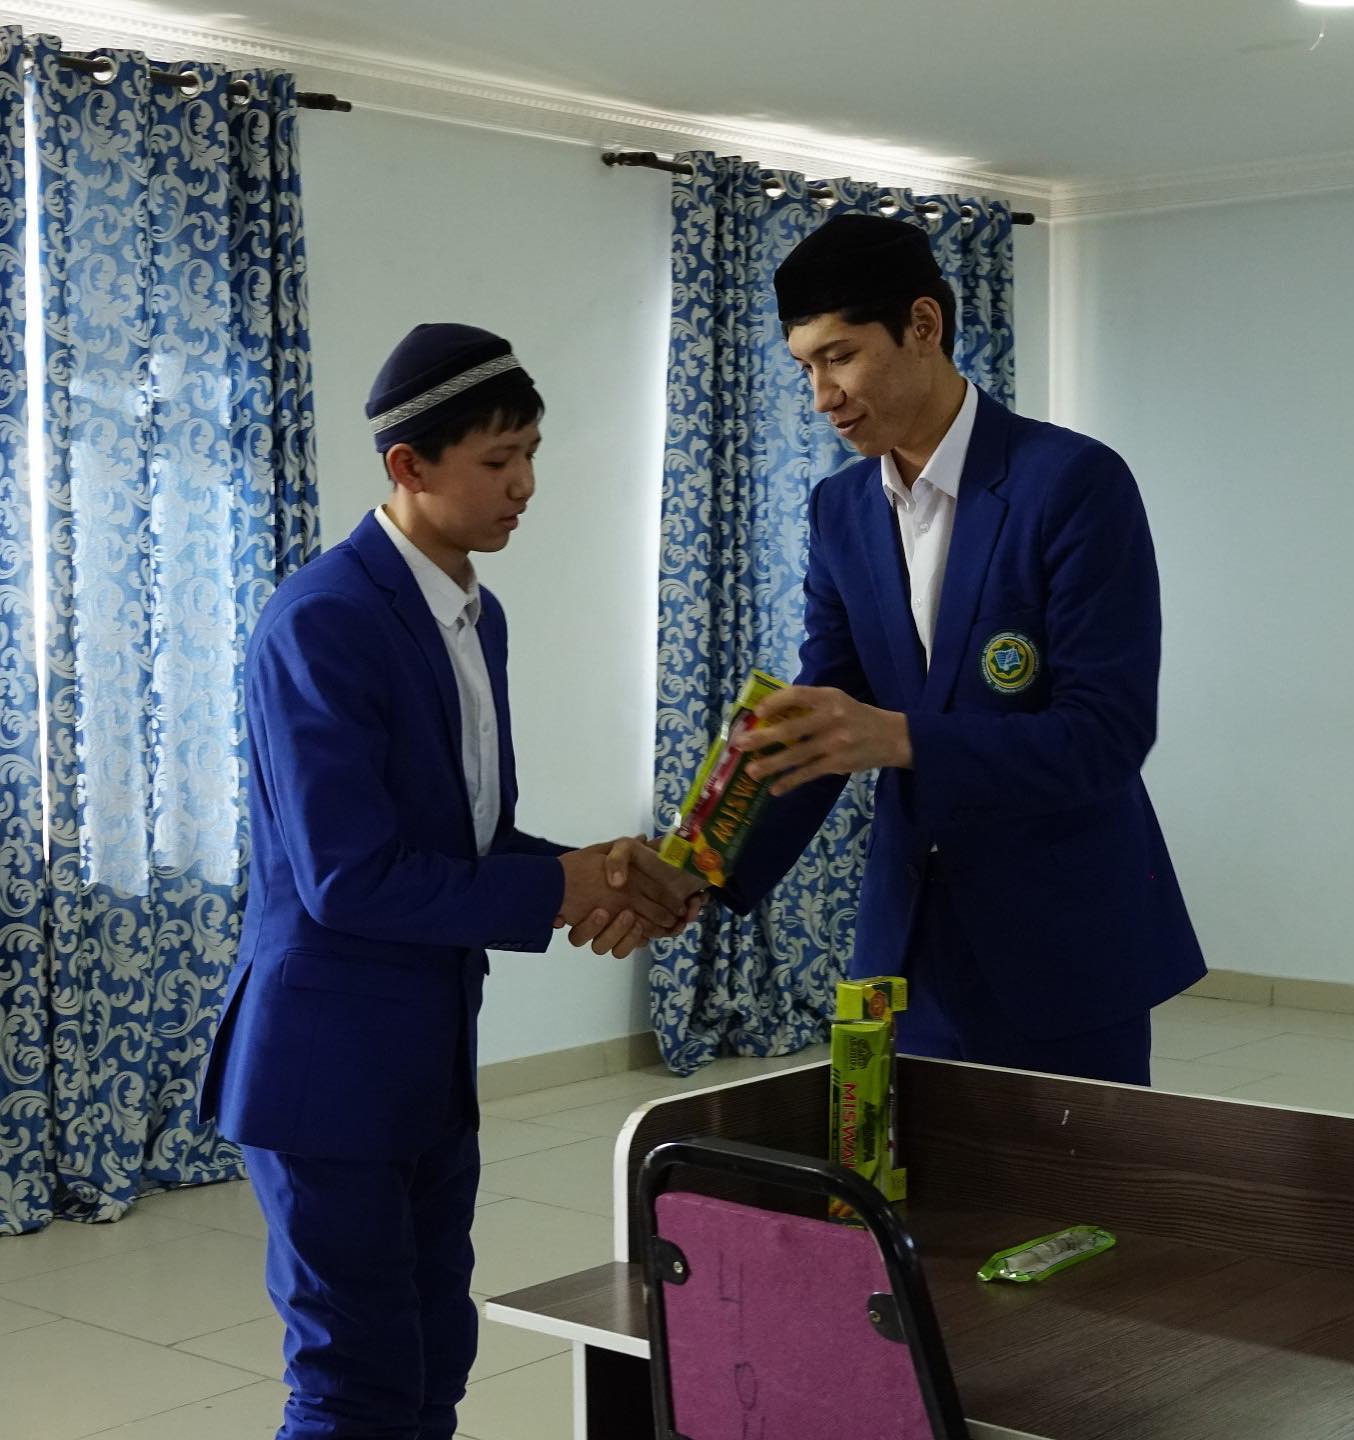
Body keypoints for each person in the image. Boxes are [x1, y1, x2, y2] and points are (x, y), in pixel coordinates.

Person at [200, 323, 692, 1440]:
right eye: (496, 460)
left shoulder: (475, 614)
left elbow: (471, 839)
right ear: (408, 466)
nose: (525, 486)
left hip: (425, 1053)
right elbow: (349, 880)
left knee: (432, 1362)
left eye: (532, 454)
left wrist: (614, 874)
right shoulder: (324, 620)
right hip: (327, 1067)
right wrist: (563, 887)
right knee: (354, 1382)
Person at [723, 214, 1205, 1084]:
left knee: (1068, 1178)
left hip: (1063, 945)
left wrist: (899, 736)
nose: (822, 396)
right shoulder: (840, 509)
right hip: (904, 950)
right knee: (902, 1172)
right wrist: (699, 870)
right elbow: (823, 721)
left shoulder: (1072, 483)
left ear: (923, 325)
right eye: (804, 367)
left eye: (840, 356)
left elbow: (1105, 736)